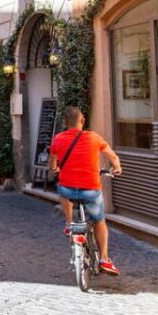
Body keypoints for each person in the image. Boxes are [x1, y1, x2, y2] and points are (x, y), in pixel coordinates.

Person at [48, 106, 122, 276]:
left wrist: (54, 169)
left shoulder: (58, 139)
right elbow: (112, 156)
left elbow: (53, 163)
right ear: (83, 121)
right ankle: (104, 259)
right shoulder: (94, 137)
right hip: (91, 190)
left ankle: (69, 224)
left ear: (65, 123)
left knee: (62, 189)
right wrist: (116, 167)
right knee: (99, 220)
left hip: (68, 190)